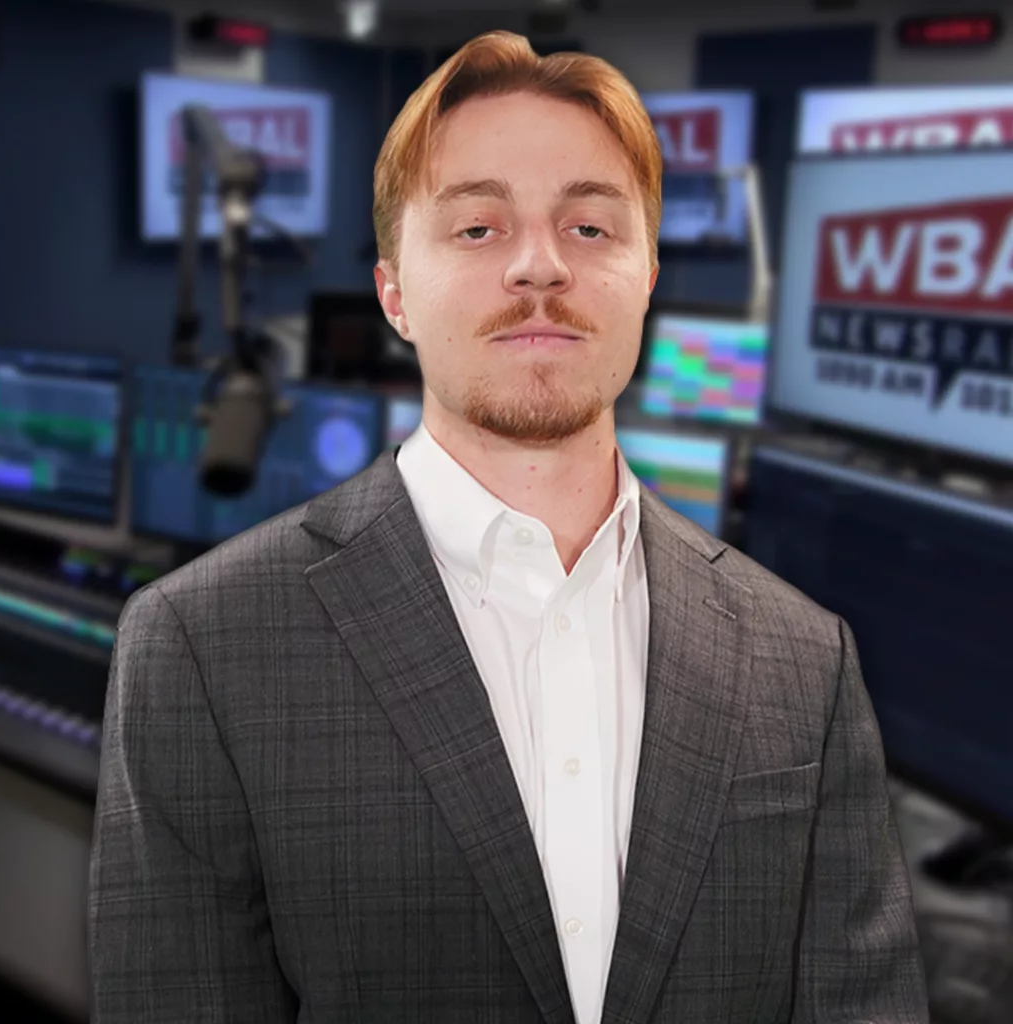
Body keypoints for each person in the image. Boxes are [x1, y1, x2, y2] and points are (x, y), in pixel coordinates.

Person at [89, 30, 930, 1024]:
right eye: (478, 229)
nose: (540, 266)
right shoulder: (201, 644)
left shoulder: (802, 655)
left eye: (589, 228)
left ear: (647, 271)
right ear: (394, 290)